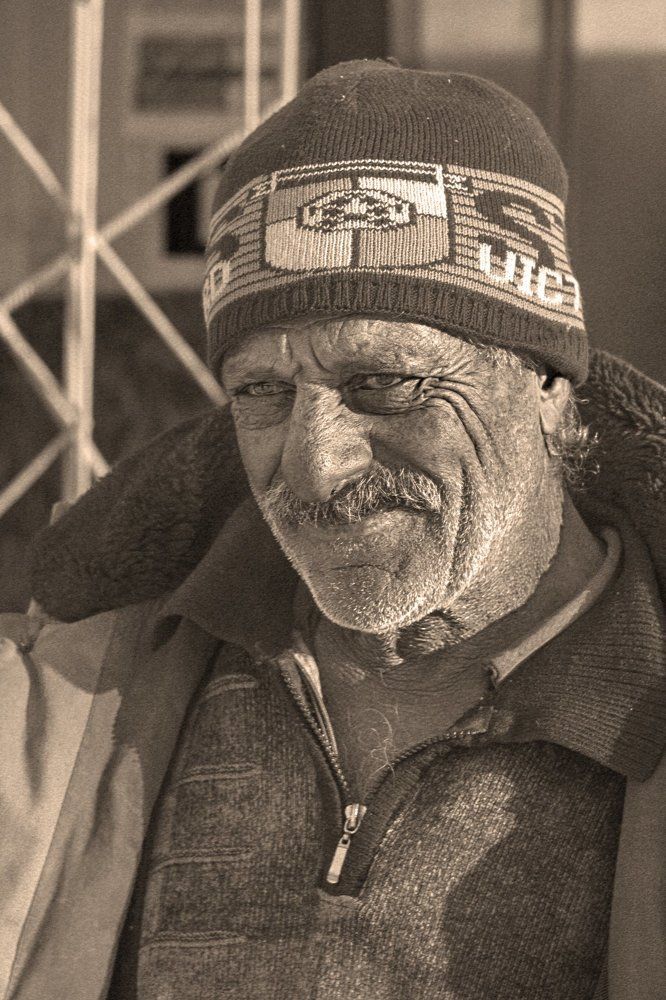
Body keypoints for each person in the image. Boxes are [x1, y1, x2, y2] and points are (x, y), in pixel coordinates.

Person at [1, 60, 664, 1000]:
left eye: (383, 383)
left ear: (546, 380)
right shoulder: (77, 696)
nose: (315, 466)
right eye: (262, 392)